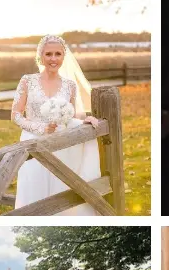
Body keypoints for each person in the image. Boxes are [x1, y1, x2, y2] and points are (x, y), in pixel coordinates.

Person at [11, 34, 101, 215]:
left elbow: (69, 117)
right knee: (35, 187)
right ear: (41, 56)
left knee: (61, 188)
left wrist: (84, 121)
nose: (53, 59)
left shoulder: (70, 85)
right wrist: (40, 128)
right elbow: (16, 115)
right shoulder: (27, 81)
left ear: (63, 56)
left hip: (62, 144)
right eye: (49, 54)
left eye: (58, 54)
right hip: (33, 141)